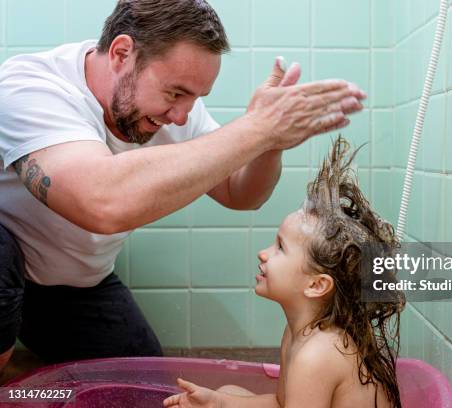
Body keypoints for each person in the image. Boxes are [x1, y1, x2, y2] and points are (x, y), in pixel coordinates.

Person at [0, 0, 367, 370]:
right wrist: (256, 128)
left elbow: (241, 194)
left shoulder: (176, 111)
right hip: (8, 264)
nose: (180, 115)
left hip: (75, 284)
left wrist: (267, 145)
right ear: (121, 53)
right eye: (175, 93)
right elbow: (102, 203)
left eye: (193, 98)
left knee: (144, 383)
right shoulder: (32, 87)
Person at [163, 137, 406, 408]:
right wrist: (217, 402)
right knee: (227, 391)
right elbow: (282, 403)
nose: (263, 254)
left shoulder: (316, 354)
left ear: (316, 285)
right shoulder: (299, 333)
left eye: (280, 247)